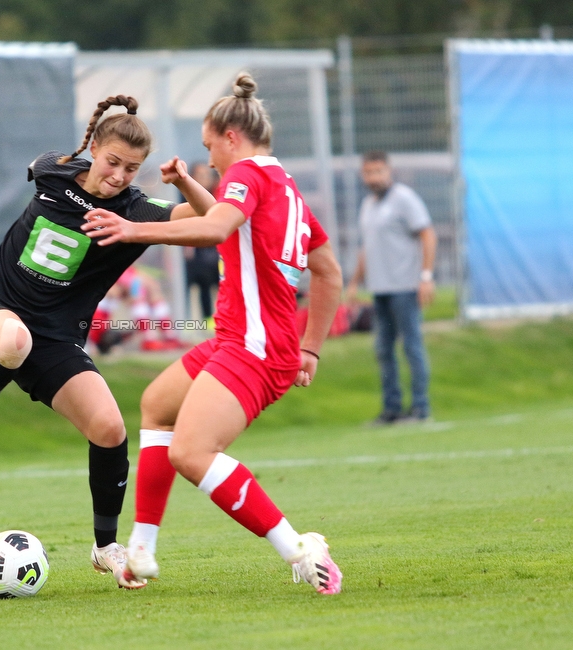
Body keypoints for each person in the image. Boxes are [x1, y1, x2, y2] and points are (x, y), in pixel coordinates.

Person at [0, 94, 215, 589]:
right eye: (112, 162)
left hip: (53, 339)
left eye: (132, 168)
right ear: (95, 152)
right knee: (12, 335)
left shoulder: (137, 211)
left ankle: (105, 545)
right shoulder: (54, 172)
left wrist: (184, 183)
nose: (119, 175)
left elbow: (214, 226)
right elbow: (39, 164)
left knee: (109, 427)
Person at [81, 73, 345, 595]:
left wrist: (133, 229)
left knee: (191, 453)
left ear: (230, 137)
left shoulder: (245, 173)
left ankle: (298, 548)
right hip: (244, 340)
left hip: (254, 346)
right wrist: (310, 347)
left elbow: (218, 227)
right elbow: (327, 271)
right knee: (157, 404)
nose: (212, 162)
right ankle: (142, 549)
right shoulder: (285, 189)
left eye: (209, 148)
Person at [345, 150, 437, 424]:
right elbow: (368, 247)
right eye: (369, 172)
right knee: (383, 350)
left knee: (412, 347)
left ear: (389, 171)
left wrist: (426, 276)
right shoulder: (368, 205)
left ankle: (421, 408)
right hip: (380, 289)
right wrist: (354, 282)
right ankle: (392, 409)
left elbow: (427, 233)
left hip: (405, 286)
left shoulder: (404, 199)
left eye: (379, 171)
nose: (374, 177)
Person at [183, 162, 221, 321]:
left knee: (220, 284)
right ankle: (205, 319)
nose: (204, 179)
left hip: (215, 249)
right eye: (200, 176)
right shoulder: (186, 198)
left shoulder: (218, 195)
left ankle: (222, 318)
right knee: (202, 284)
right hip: (198, 250)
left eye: (207, 175)